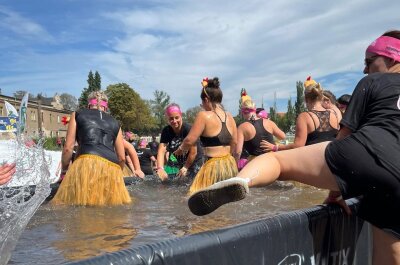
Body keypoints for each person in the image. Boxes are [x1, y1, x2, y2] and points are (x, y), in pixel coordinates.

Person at [188, 30, 400, 264]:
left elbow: (343, 139)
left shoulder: (372, 82)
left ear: (391, 59)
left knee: (275, 162)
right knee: (390, 247)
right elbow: (280, 134)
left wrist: (337, 188)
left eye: (369, 62)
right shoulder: (328, 112)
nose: (364, 69)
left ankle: (243, 181)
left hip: (357, 157)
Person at [52, 91, 131, 206]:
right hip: (112, 167)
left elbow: (68, 148)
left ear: (89, 105)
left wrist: (64, 172)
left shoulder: (78, 114)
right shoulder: (115, 123)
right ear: (106, 107)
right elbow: (121, 157)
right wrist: (118, 175)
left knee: (78, 206)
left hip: (86, 162)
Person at [174, 77, 237, 195]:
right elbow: (235, 143)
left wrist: (180, 149)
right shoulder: (229, 116)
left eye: (202, 103)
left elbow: (189, 140)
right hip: (229, 165)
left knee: (194, 195)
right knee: (224, 198)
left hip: (212, 166)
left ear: (206, 99)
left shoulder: (204, 115)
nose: (202, 106)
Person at [261, 76, 340, 152]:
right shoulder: (334, 114)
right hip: (333, 160)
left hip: (314, 161)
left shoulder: (305, 117)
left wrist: (275, 147)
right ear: (321, 97)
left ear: (305, 99)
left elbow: (298, 145)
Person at [156, 103, 201, 181]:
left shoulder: (188, 129)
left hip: (195, 160)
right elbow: (161, 150)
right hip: (181, 162)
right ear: (167, 119)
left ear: (181, 116)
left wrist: (186, 167)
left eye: (177, 117)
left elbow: (193, 152)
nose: (174, 121)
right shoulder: (166, 131)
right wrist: (160, 168)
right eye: (171, 118)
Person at [236, 98, 285, 169]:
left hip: (256, 163)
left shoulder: (242, 127)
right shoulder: (269, 122)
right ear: (255, 110)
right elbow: (282, 136)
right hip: (272, 161)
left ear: (243, 112)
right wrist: (273, 146)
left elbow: (238, 152)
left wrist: (236, 164)